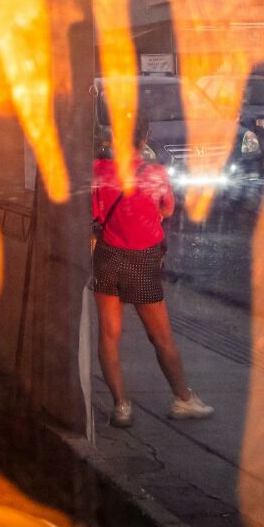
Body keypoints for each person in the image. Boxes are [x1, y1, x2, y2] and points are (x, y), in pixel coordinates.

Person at [92, 119, 214, 427]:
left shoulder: (99, 170)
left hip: (107, 256)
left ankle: (121, 406)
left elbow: (94, 212)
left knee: (108, 335)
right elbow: (168, 209)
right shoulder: (155, 173)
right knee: (160, 336)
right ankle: (183, 399)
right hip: (143, 261)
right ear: (144, 138)